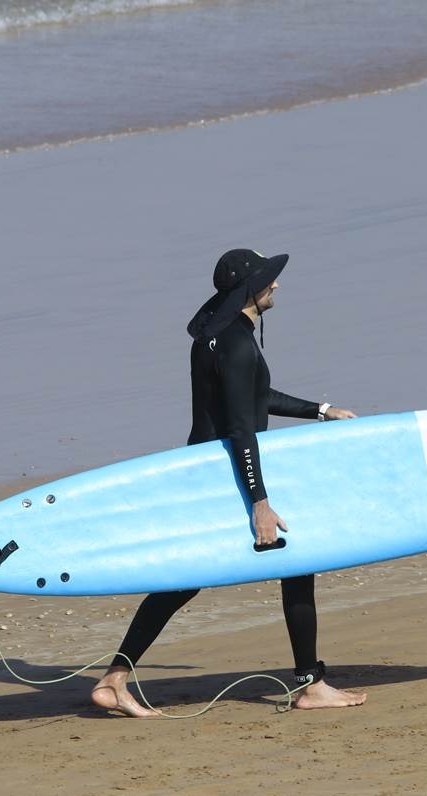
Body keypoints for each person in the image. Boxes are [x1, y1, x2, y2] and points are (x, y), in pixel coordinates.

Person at [92, 249, 367, 717]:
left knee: (185, 582)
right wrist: (260, 502)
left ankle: (114, 680)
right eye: (269, 279)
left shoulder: (217, 336)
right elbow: (242, 427)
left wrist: (321, 411)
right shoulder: (237, 344)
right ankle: (311, 686)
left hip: (204, 471)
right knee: (295, 563)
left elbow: (252, 397)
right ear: (248, 289)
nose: (276, 284)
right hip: (227, 476)